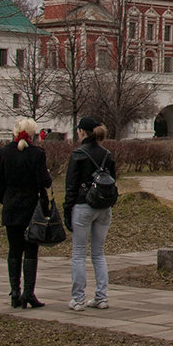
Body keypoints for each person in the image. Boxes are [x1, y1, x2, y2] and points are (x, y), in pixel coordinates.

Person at [0, 117, 52, 309]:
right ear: (32, 134)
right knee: (31, 250)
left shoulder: (2, 154)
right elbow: (45, 181)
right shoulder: (37, 154)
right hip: (31, 207)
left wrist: (7, 200)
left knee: (14, 249)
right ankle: (29, 293)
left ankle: (15, 292)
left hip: (11, 205)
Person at [64, 116, 116, 312]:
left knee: (78, 254)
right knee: (98, 254)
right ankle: (101, 297)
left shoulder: (78, 154)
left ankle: (78, 299)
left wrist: (67, 209)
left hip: (83, 205)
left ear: (82, 132)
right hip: (103, 207)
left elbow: (71, 186)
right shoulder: (107, 154)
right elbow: (113, 181)